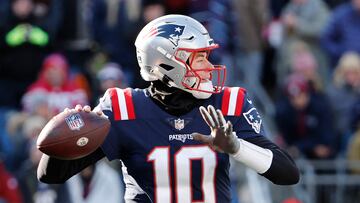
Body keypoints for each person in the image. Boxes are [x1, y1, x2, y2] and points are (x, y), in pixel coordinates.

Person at [37, 15, 299, 202]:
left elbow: (287, 174)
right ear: (166, 64)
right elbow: (51, 175)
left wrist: (237, 148)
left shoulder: (228, 103)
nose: (209, 68)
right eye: (199, 59)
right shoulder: (123, 108)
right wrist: (70, 133)